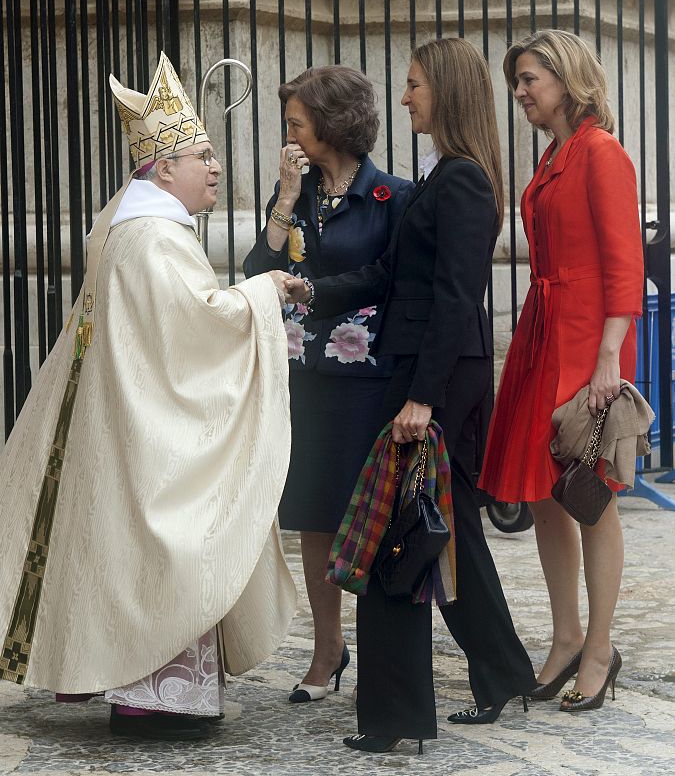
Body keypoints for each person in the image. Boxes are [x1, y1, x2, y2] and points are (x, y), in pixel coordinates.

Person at [0, 53, 296, 741]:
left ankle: (108, 672)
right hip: (144, 421)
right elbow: (197, 323)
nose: (216, 167)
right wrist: (265, 293)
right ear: (163, 169)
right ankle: (155, 696)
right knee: (171, 532)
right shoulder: (156, 237)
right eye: (202, 155)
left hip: (119, 410)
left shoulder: (124, 223)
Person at [286, 38, 536, 753]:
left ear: (446, 93)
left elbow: (459, 299)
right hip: (426, 375)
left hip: (433, 382)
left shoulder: (460, 181)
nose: (404, 98)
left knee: (395, 539)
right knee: (446, 535)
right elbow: (387, 275)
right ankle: (503, 672)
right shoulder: (442, 179)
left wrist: (421, 399)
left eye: (415, 85)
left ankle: (396, 720)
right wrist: (309, 289)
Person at [479, 29, 644, 711]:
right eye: (515, 81)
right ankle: (566, 636)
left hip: (587, 340)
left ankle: (599, 648)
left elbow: (622, 262)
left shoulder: (601, 152)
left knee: (589, 494)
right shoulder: (557, 154)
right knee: (543, 490)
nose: (518, 93)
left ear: (565, 78)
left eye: (528, 80)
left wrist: (608, 356)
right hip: (545, 331)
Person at [244, 65, 413, 703]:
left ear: (333, 123)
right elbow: (258, 269)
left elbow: (388, 281)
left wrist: (314, 290)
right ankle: (326, 649)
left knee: (368, 517)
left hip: (365, 380)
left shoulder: (393, 197)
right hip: (302, 377)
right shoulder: (298, 194)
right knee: (314, 519)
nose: (288, 135)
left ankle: (383, 653)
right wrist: (284, 200)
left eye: (296, 122)